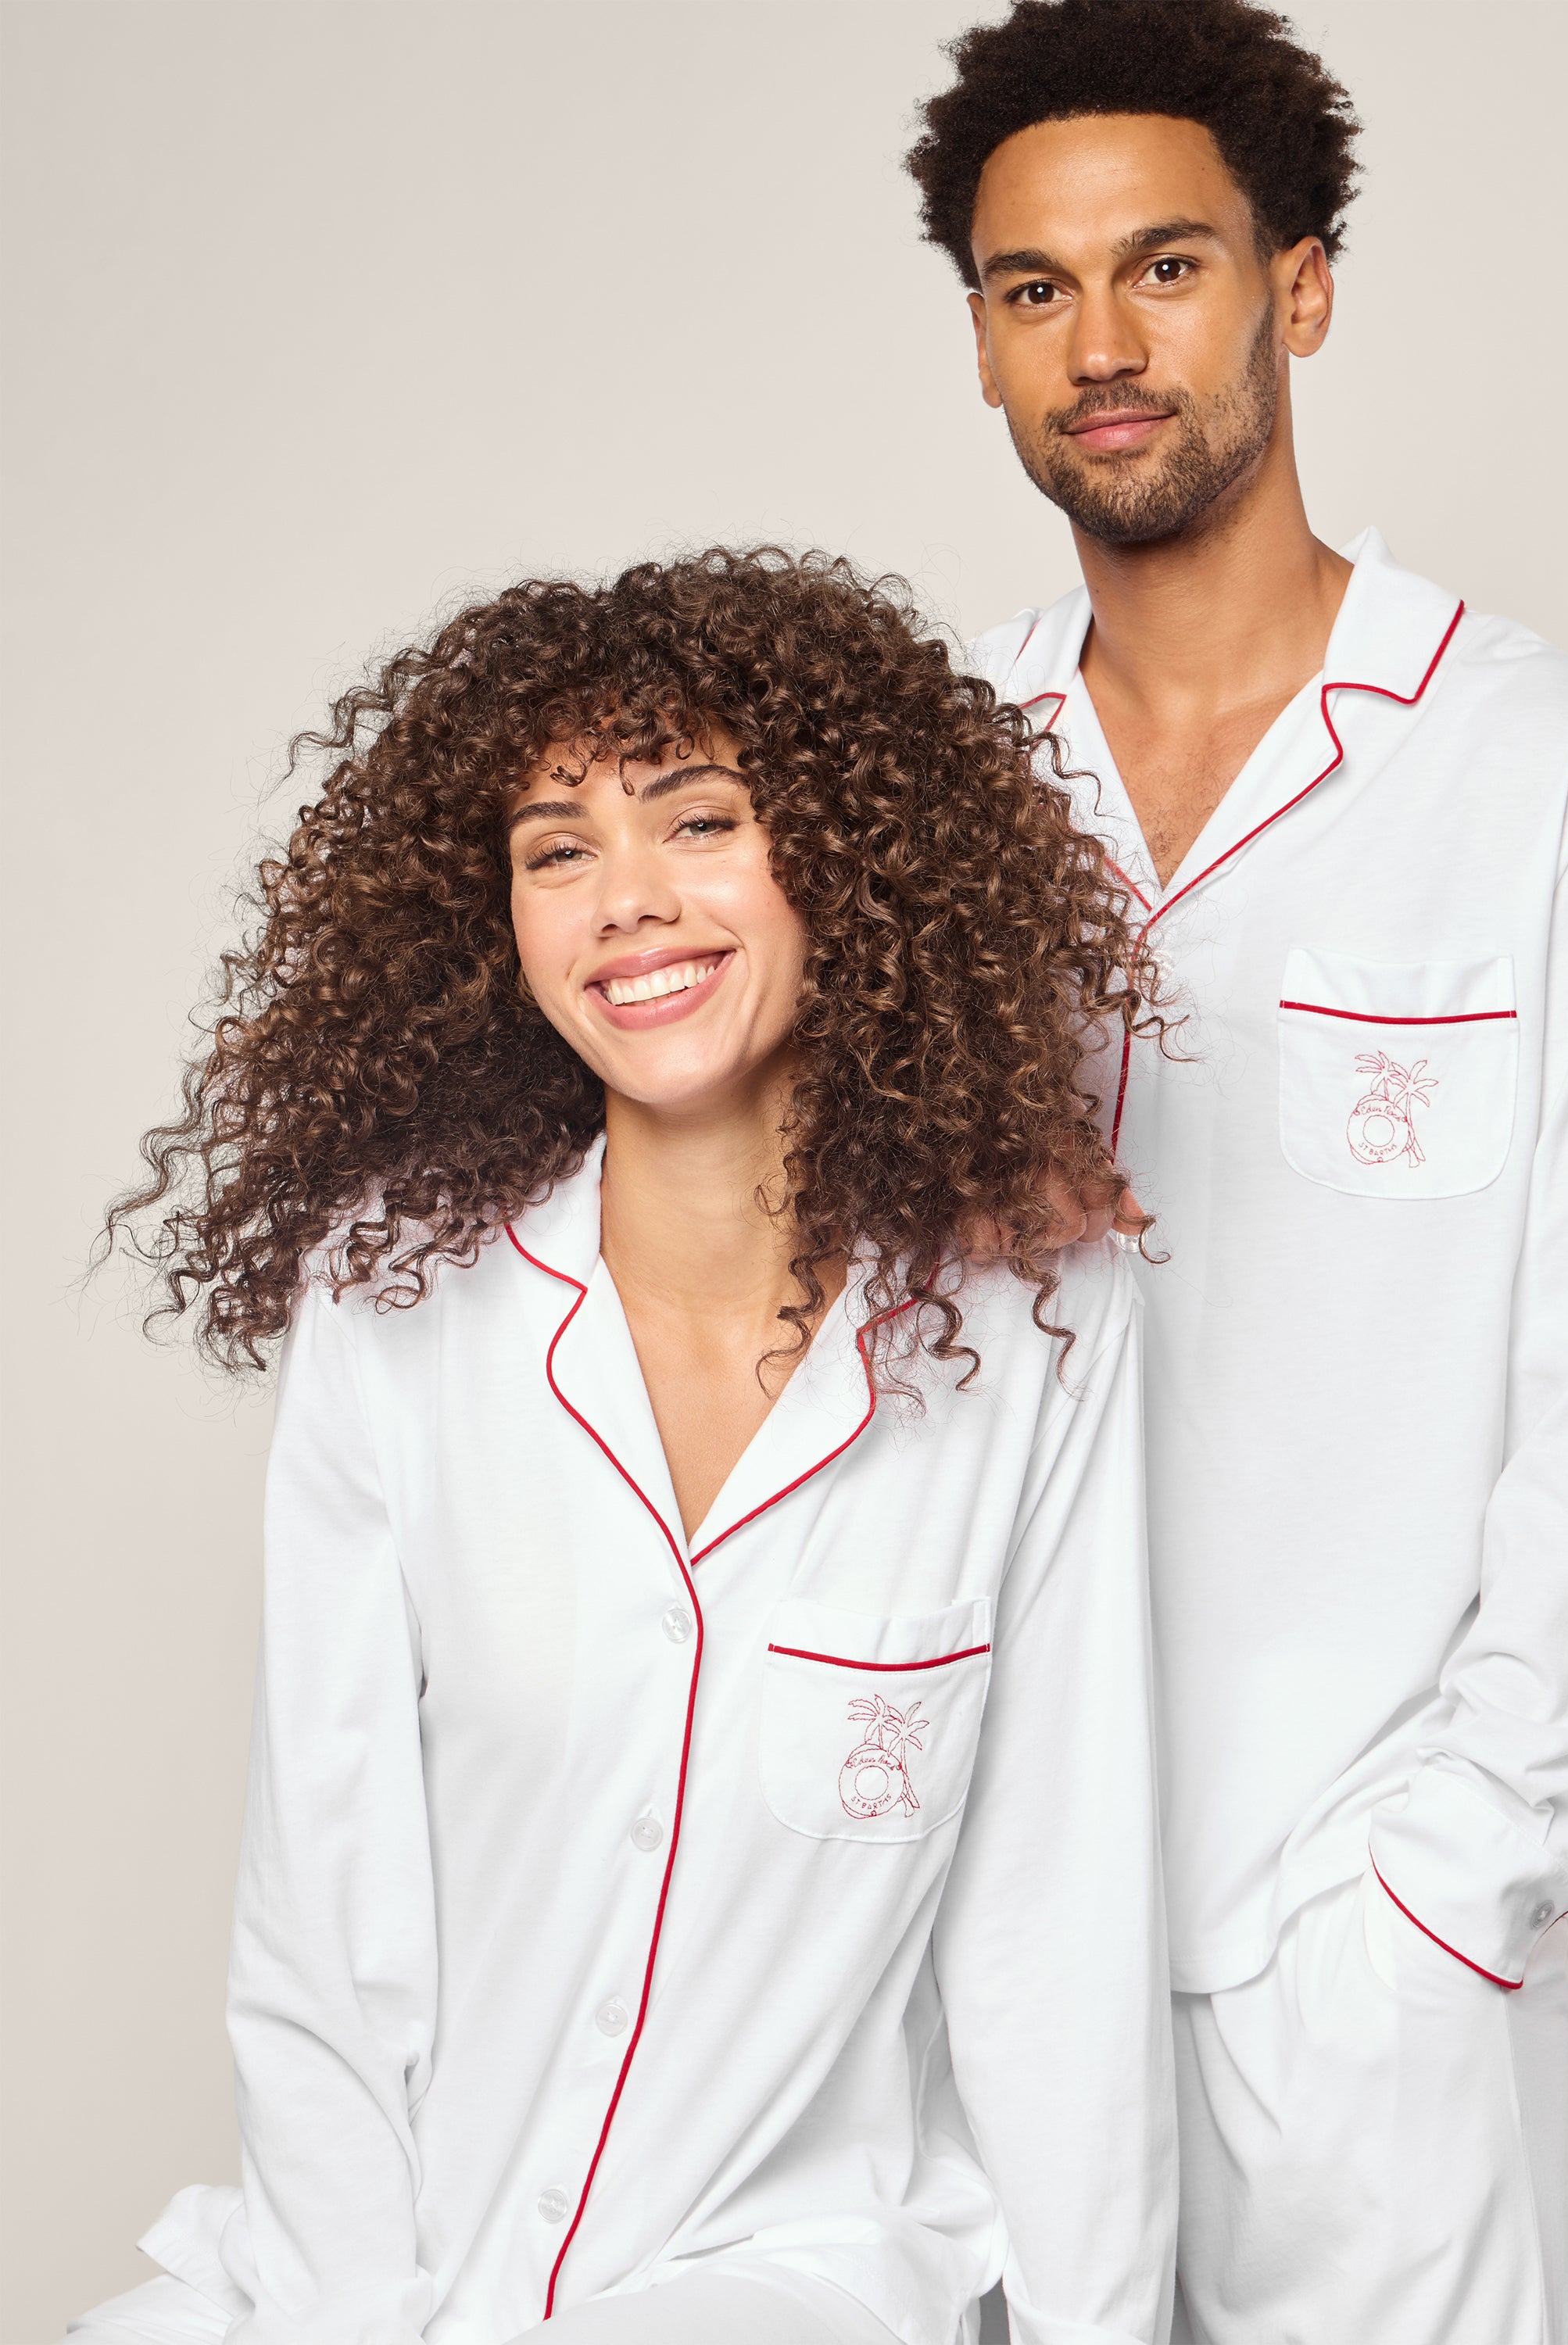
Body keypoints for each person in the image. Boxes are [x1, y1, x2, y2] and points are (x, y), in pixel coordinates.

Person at [77, 551, 1177, 2345]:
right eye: (556, 852)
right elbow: (324, 1934)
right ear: (494, 926)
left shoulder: (1028, 1336)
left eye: (700, 822)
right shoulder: (396, 1311)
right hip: (392, 2276)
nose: (629, 903)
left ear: (848, 861)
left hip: (786, 2287)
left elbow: (1058, 1924)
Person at [906, 6, 1568, 2342]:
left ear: (1303, 286)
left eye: (1164, 266)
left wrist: (1451, 1894)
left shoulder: (1548, 775)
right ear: (982, 345)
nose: (1102, 344)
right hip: (962, 1946)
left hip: (1364, 1944)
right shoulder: (922, 789)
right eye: (1035, 288)